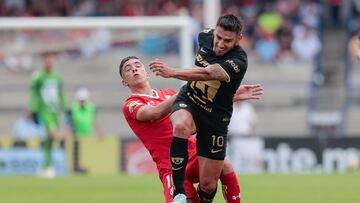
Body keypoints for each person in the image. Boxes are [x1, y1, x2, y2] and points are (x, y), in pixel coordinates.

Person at [120, 56, 262, 203]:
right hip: (171, 167)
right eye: (128, 69)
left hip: (196, 155)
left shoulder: (167, 93)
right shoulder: (131, 104)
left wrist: (234, 94)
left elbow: (201, 101)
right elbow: (155, 112)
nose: (134, 69)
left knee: (224, 164)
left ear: (147, 73)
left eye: (137, 65)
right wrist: (187, 91)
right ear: (124, 82)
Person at [149, 14, 248, 203]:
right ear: (215, 31)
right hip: (191, 100)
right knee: (180, 126)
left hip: (216, 118)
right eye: (219, 37)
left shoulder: (239, 61)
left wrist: (172, 72)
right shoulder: (204, 35)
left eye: (228, 41)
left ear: (238, 39)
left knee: (208, 184)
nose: (220, 44)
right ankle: (179, 193)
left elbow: (207, 73)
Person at [29, 53, 69, 178]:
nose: (49, 63)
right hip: (44, 111)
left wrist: (65, 107)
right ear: (43, 62)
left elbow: (61, 93)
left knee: (50, 139)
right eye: (47, 61)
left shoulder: (57, 76)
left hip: (54, 111)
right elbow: (33, 94)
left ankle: (44, 166)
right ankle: (48, 166)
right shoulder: (38, 77)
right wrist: (33, 109)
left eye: (51, 61)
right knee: (51, 133)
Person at [67, 87, 103, 174]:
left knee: (85, 154)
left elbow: (94, 121)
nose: (82, 102)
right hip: (76, 135)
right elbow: (68, 122)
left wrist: (100, 132)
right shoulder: (73, 107)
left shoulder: (91, 107)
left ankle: (84, 169)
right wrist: (67, 133)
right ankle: (76, 169)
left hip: (88, 135)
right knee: (76, 154)